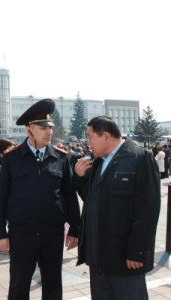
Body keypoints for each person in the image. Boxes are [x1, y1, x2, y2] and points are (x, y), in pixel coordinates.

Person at [0, 99, 80, 300]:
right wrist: (0, 232)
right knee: (19, 284)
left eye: (50, 127)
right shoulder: (11, 159)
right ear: (28, 130)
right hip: (22, 233)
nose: (49, 132)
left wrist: (75, 228)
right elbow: (1, 198)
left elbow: (69, 195)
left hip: (53, 233)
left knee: (53, 285)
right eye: (42, 127)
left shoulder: (60, 157)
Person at [73, 116, 161, 300]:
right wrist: (79, 178)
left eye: (90, 137)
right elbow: (91, 199)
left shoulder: (139, 158)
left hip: (125, 257)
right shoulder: (97, 163)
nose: (88, 143)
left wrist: (138, 252)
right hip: (98, 254)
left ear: (105, 136)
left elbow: (148, 210)